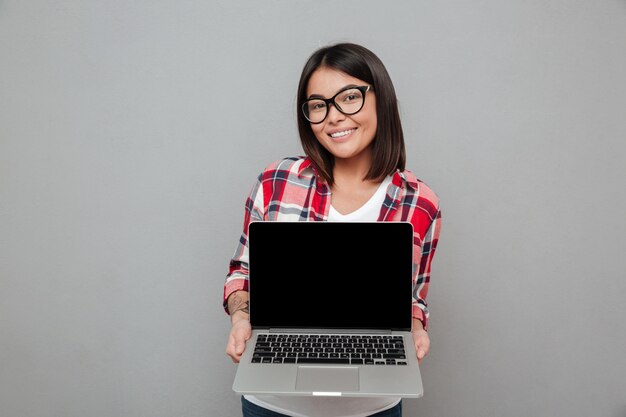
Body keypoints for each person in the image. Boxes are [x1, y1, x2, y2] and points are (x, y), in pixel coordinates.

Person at [223, 42, 442, 417]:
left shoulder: (420, 202)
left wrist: (416, 327)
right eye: (319, 105)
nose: (335, 116)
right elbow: (242, 274)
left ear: (380, 99)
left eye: (350, 97)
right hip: (273, 406)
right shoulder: (275, 181)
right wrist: (242, 318)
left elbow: (413, 298)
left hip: (373, 407)